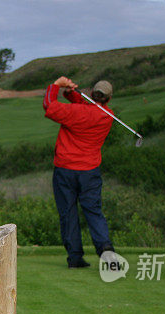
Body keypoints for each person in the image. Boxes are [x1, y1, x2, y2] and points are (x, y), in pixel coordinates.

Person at [43, 76, 115, 268]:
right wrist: (71, 92)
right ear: (108, 99)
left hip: (65, 170)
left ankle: (74, 257)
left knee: (68, 213)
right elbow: (86, 106)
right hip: (90, 172)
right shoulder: (107, 115)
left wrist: (56, 85)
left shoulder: (75, 112)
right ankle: (105, 248)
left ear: (92, 94)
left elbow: (49, 105)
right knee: (94, 211)